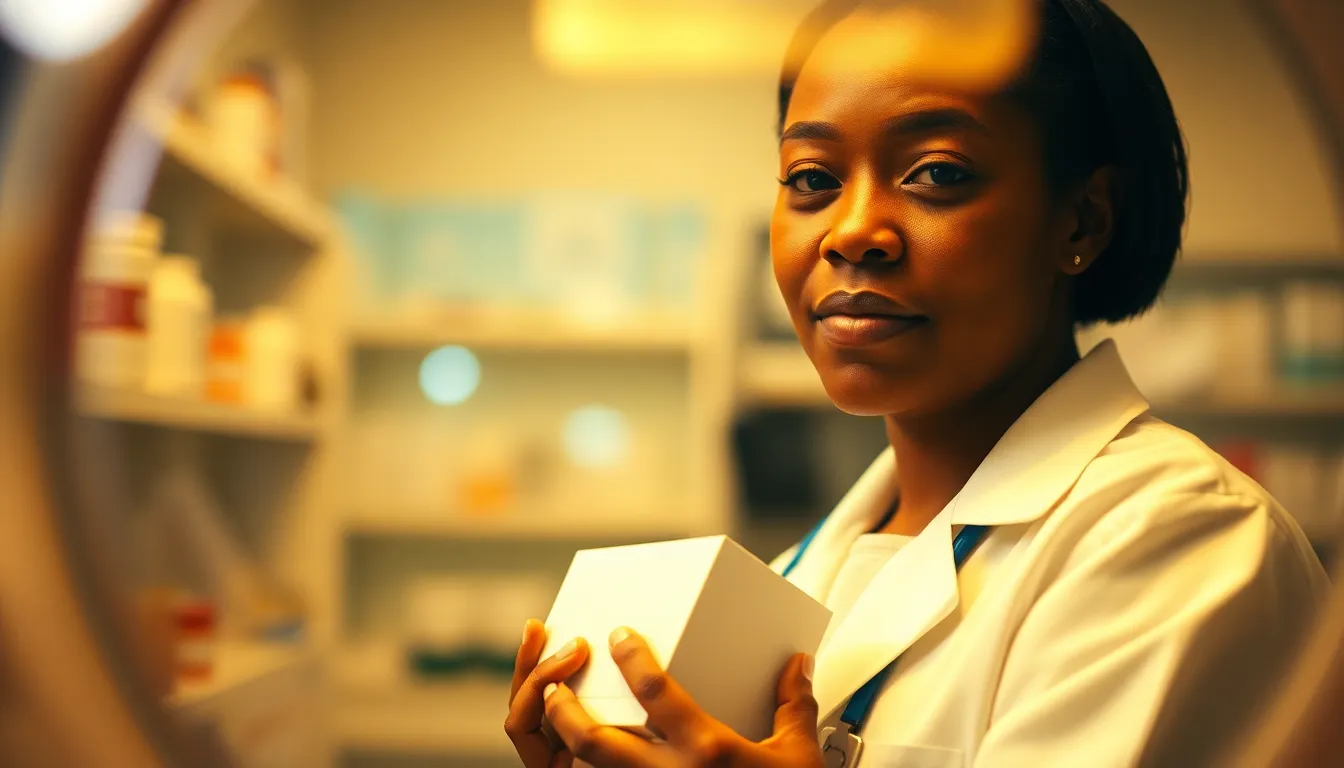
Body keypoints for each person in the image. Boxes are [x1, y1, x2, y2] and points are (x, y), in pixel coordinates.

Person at [504, 0, 1331, 765]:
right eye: (812, 179)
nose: (853, 230)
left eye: (937, 172)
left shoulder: (1183, 543)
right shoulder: (803, 570)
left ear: (1081, 221)